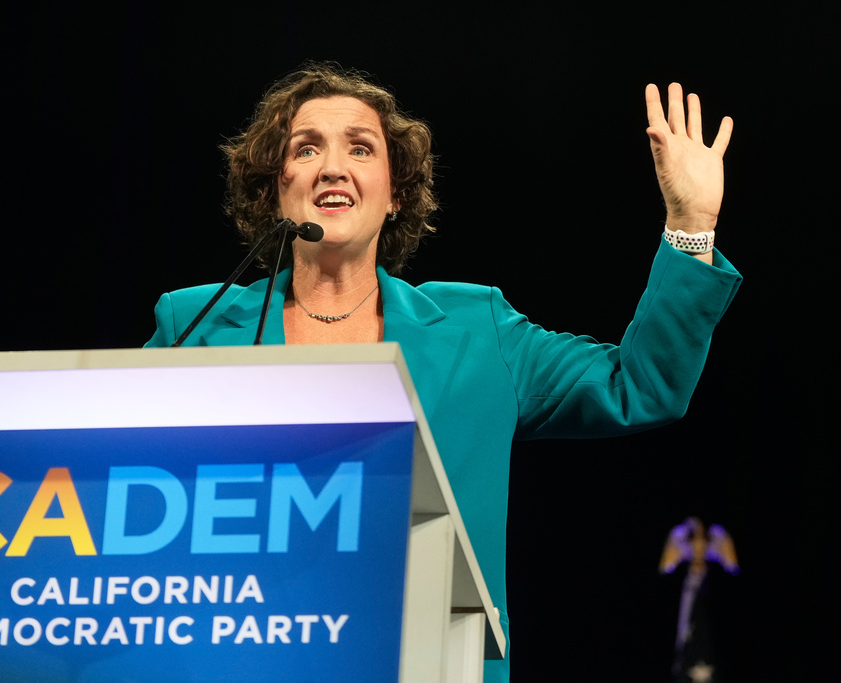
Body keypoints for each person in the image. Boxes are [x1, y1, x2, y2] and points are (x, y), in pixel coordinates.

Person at [144, 63, 741, 682]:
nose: (332, 166)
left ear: (395, 191)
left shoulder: (477, 332)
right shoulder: (197, 324)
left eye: (360, 147)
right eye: (306, 148)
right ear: (275, 187)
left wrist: (691, 226)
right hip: (239, 657)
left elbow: (640, 387)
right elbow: (112, 477)